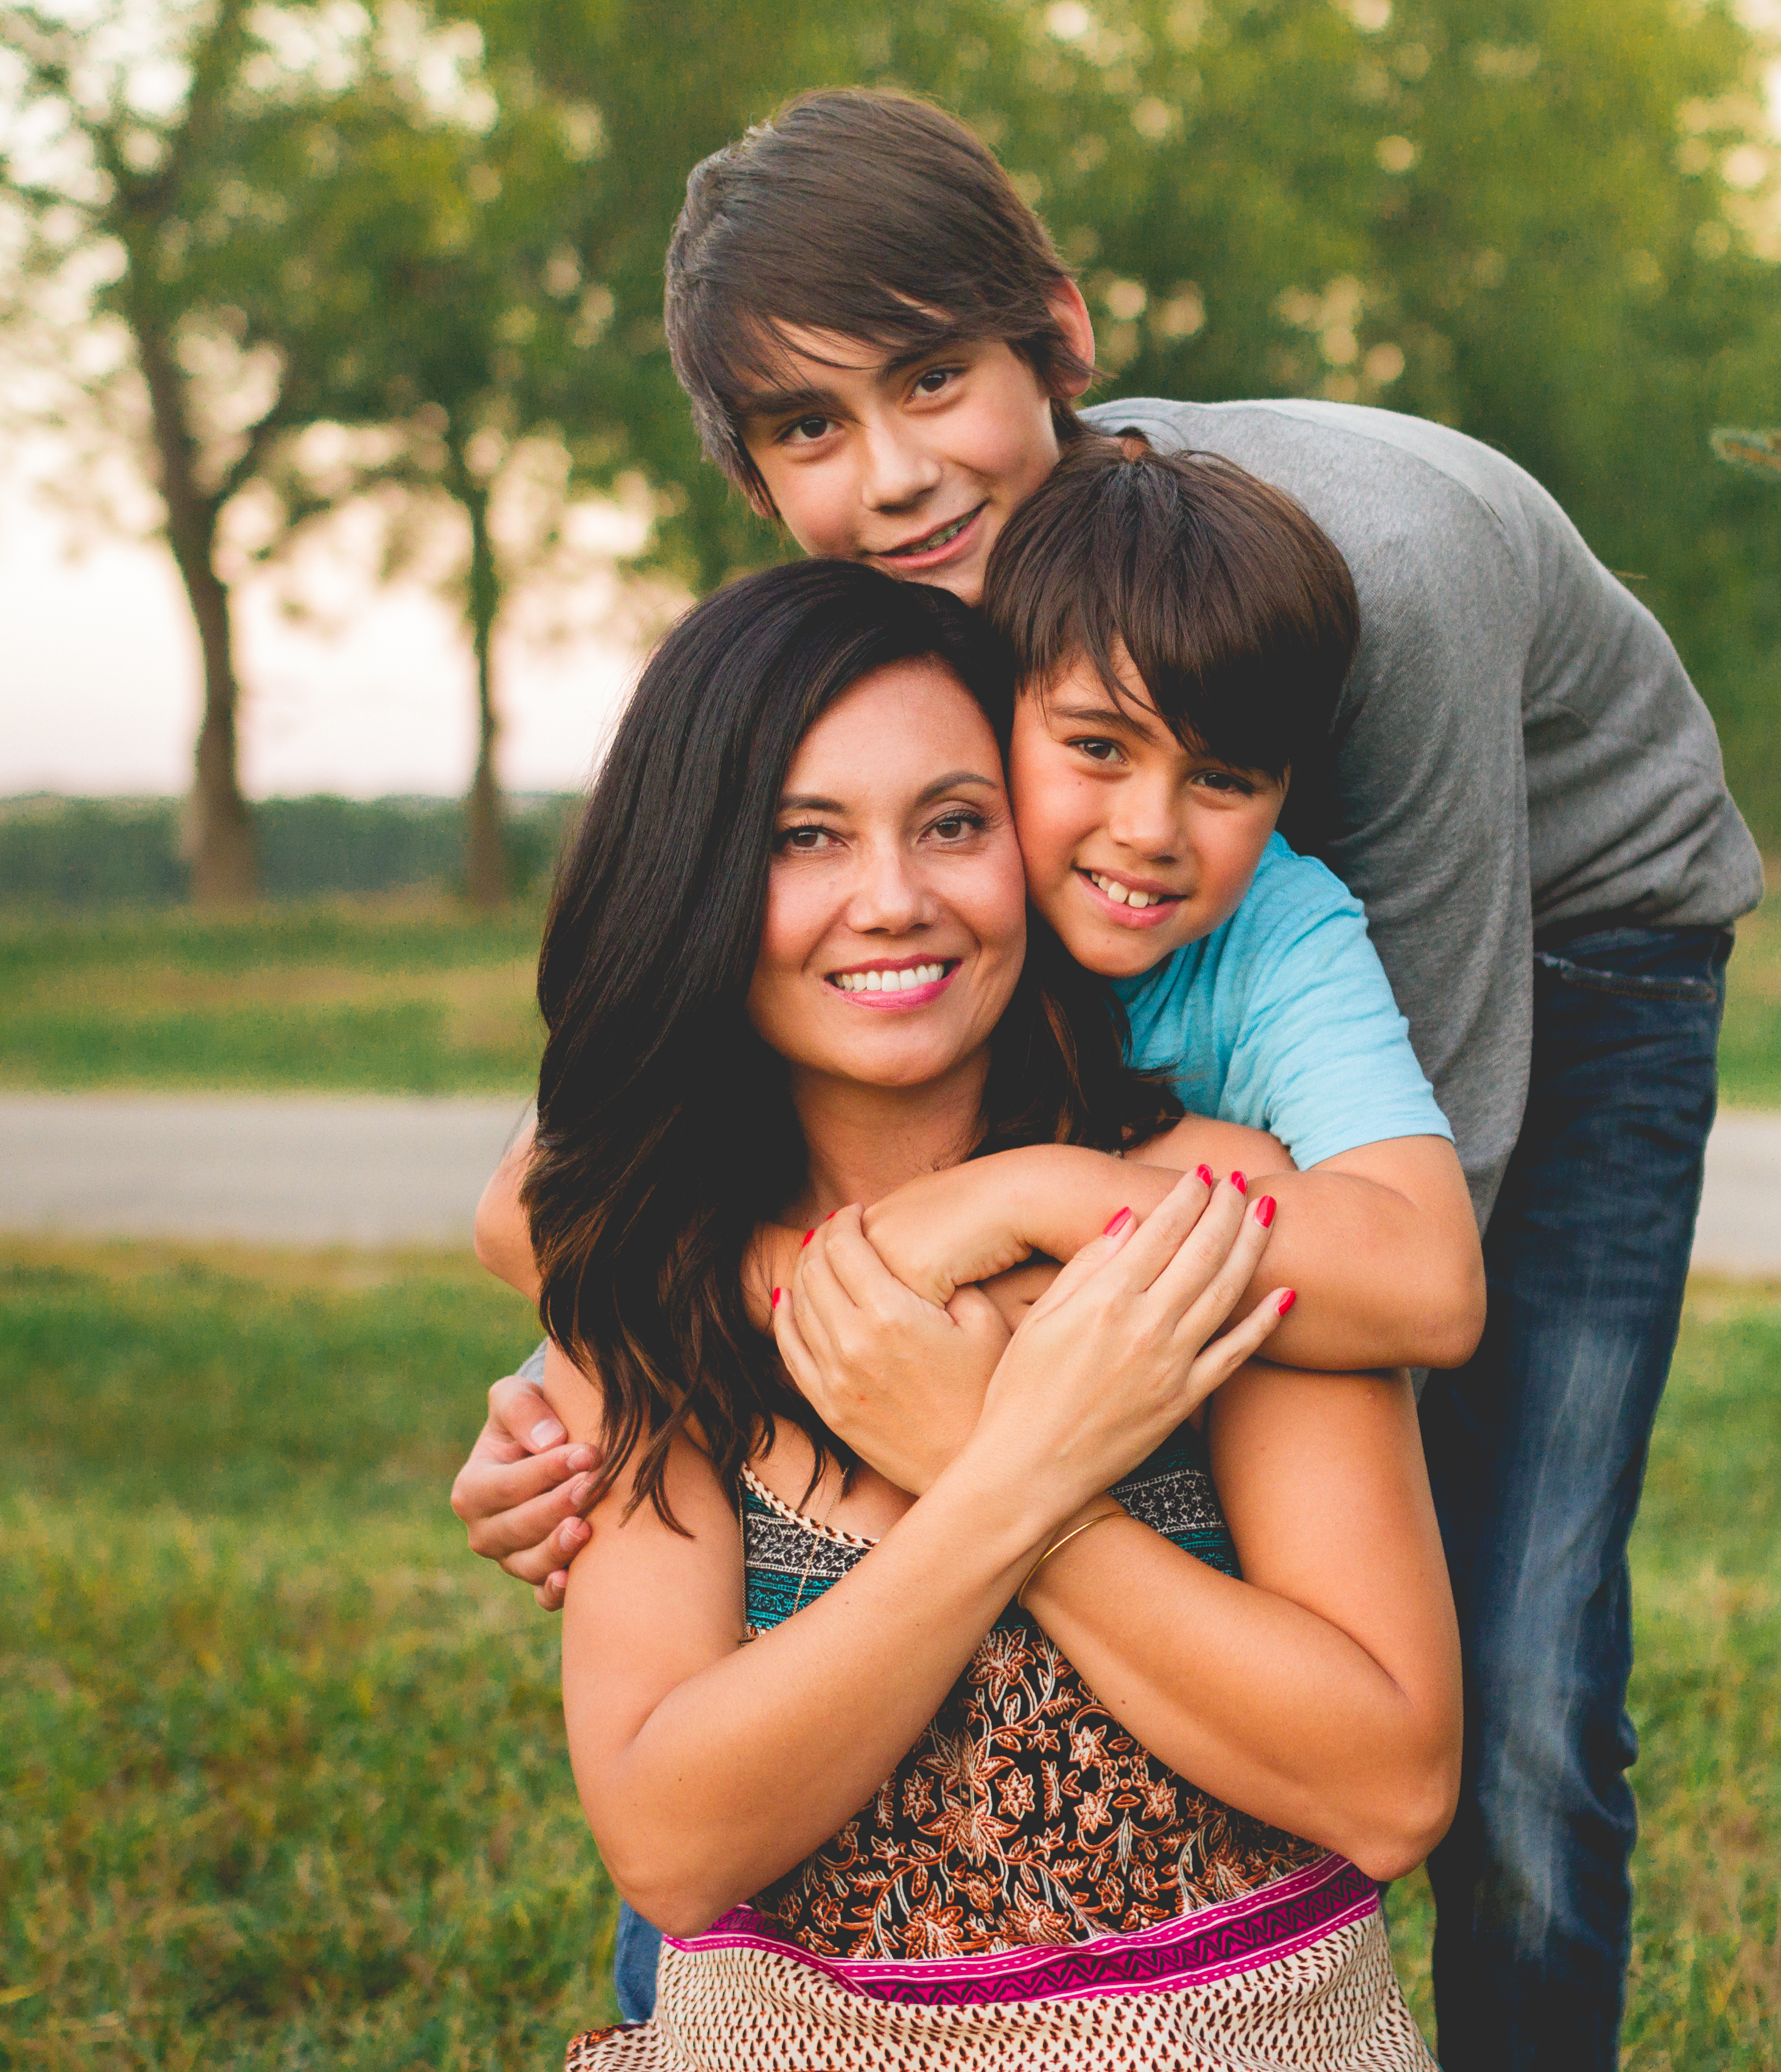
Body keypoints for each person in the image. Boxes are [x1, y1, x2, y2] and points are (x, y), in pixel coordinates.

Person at [455, 87, 1760, 2070]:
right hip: (1117, 954)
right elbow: (579, 1181)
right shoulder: (896, 670)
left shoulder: (1347, 605)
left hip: (1569, 924)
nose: (892, 476)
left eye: (927, 379)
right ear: (749, 474)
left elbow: (1402, 1277)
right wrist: (612, 1378)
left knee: (1509, 1659)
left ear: (1054, 335)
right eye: (810, 427)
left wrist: (1001, 1249)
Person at [527, 557, 1456, 2068]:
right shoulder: (661, 1275)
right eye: (800, 839)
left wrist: (985, 1448)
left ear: (1026, 844)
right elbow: (670, 1842)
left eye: (952, 824)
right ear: (695, 877)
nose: (890, 898)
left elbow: (1390, 1783)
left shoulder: (1198, 1211)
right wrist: (1008, 1470)